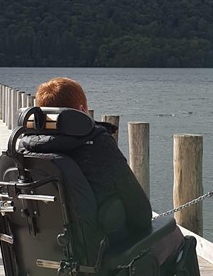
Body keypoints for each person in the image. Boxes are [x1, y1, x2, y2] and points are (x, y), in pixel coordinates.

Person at [19, 77, 153, 246]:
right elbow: (141, 214)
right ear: (82, 110)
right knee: (174, 237)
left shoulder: (24, 148)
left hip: (42, 248)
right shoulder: (98, 145)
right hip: (100, 250)